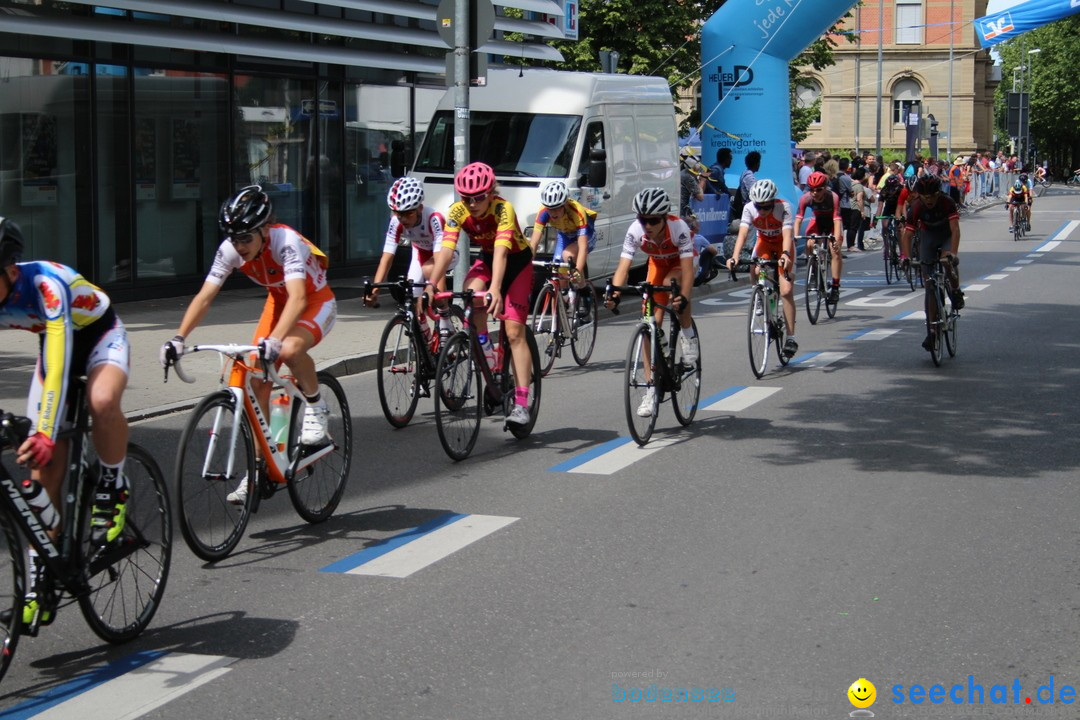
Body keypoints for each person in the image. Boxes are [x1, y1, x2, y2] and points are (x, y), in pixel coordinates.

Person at [160, 186, 336, 504]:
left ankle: (316, 407)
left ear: (264, 231)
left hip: (314, 301)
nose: (239, 247)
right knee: (256, 383)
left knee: (289, 350)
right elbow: (205, 296)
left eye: (246, 239)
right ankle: (261, 467)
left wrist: (275, 340)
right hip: (278, 303)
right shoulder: (231, 249)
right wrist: (178, 338)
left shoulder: (286, 242)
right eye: (234, 239)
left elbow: (298, 298)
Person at [0, 216, 132, 628]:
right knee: (42, 473)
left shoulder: (44, 285)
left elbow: (57, 358)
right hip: (55, 347)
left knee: (102, 400)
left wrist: (43, 429)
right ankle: (44, 570)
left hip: (99, 337)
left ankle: (114, 484)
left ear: (8, 269)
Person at [427, 162, 535, 426]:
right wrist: (431, 284)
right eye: (467, 198)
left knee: (513, 332)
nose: (472, 203)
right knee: (469, 296)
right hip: (487, 259)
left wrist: (496, 288)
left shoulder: (503, 209)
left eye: (478, 197)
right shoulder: (458, 211)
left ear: (491, 192)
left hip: (516, 263)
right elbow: (447, 251)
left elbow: (502, 251)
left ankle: (522, 404)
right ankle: (489, 358)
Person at [604, 188, 698, 416]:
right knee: (648, 325)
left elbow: (687, 272)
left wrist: (684, 298)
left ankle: (687, 337)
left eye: (653, 220)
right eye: (642, 219)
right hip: (656, 264)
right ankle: (651, 389)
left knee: (674, 292)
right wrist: (614, 293)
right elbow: (623, 267)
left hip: (680, 263)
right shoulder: (635, 230)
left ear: (664, 217)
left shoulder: (679, 228)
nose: (647, 225)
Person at [365, 177, 455, 338]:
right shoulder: (396, 222)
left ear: (420, 208)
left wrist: (434, 290)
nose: (403, 219)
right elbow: (387, 257)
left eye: (408, 213)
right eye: (399, 214)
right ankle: (426, 340)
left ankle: (445, 319)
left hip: (443, 255)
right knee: (411, 294)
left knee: (430, 271)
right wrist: (375, 289)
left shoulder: (434, 218)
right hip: (419, 253)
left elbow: (439, 259)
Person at [725, 179, 798, 358]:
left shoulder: (784, 207)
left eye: (767, 207)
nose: (763, 211)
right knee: (755, 269)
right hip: (764, 243)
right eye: (760, 207)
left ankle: (790, 337)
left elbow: (788, 234)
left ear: (773, 201)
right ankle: (759, 295)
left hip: (783, 245)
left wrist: (786, 254)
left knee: (786, 291)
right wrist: (734, 257)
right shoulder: (749, 208)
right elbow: (742, 234)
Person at [900, 175, 964, 352]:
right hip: (929, 237)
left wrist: (954, 254)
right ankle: (932, 331)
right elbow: (907, 235)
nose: (928, 200)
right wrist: (906, 257)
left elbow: (955, 230)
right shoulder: (916, 207)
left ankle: (956, 290)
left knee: (946, 261)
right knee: (929, 285)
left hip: (946, 235)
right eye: (924, 196)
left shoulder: (947, 202)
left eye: (932, 196)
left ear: (938, 194)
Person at [794, 171, 844, 303]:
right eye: (812, 189)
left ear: (825, 188)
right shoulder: (805, 198)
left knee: (835, 251)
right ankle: (814, 271)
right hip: (817, 222)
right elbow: (798, 220)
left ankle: (835, 287)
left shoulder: (833, 197)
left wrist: (836, 241)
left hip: (832, 224)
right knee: (810, 243)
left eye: (819, 189)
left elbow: (837, 221)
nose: (815, 192)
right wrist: (794, 238)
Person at [686, 214, 719, 286]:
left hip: (684, 273)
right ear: (696, 227)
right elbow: (714, 251)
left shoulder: (681, 237)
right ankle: (707, 274)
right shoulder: (699, 238)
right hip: (695, 275)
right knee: (708, 252)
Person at [679, 149, 706, 217]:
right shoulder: (688, 177)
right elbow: (700, 197)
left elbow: (700, 191)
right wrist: (703, 180)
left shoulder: (684, 174)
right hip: (682, 212)